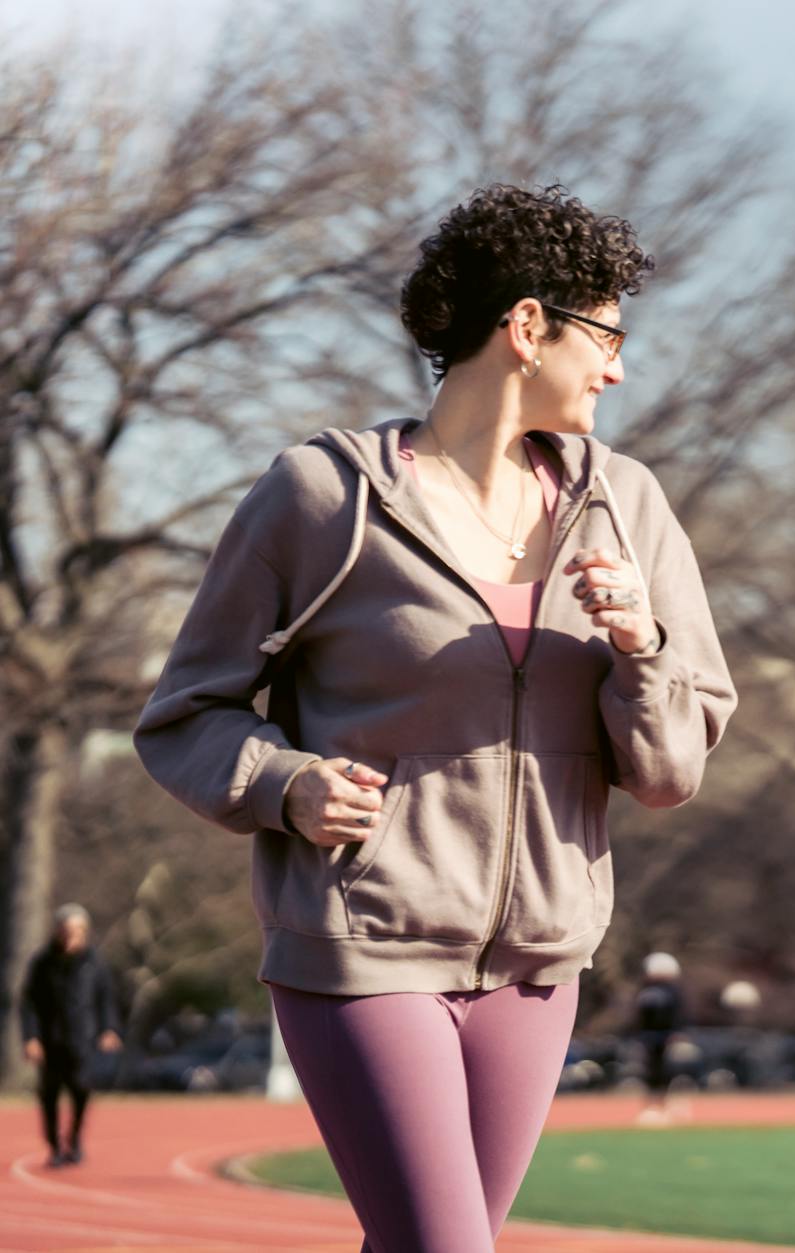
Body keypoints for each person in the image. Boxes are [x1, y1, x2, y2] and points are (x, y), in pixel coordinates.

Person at [134, 184, 736, 1253]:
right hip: (363, 944)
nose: (618, 367)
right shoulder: (325, 496)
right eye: (605, 334)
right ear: (525, 326)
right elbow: (184, 715)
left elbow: (667, 772)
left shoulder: (628, 503)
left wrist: (641, 648)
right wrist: (285, 782)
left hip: (540, 962)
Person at [20, 904, 122, 1168]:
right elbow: (29, 1003)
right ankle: (54, 1147)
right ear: (56, 931)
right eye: (64, 931)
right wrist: (31, 1038)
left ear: (84, 932)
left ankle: (74, 1139)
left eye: (75, 931)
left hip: (82, 1040)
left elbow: (106, 999)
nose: (69, 936)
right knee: (49, 1095)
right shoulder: (43, 963)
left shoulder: (94, 963)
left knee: (81, 1090)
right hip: (50, 1039)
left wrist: (109, 1028)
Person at [634, 950, 683, 1123]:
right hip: (649, 1037)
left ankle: (664, 1102)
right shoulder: (644, 991)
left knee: (667, 1071)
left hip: (666, 1036)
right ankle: (651, 1103)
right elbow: (639, 1016)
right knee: (650, 1070)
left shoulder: (673, 992)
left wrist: (677, 1032)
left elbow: (679, 1014)